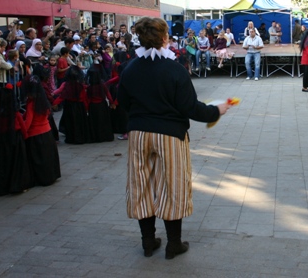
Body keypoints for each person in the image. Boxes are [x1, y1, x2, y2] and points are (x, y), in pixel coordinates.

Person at [117, 17, 230, 260]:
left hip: (138, 133)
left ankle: (148, 242)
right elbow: (190, 107)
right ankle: (173, 244)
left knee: (141, 185)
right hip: (169, 134)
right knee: (173, 185)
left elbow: (123, 103)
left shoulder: (131, 68)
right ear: (164, 38)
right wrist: (216, 111)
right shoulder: (175, 69)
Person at [0, 83, 32, 196]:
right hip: (15, 139)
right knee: (16, 164)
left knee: (3, 164)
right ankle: (17, 185)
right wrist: (26, 137)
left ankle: (3, 186)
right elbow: (23, 127)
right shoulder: (15, 113)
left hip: (2, 140)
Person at [22, 75, 61, 186]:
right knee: (47, 158)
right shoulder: (43, 101)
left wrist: (23, 132)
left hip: (35, 134)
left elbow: (28, 122)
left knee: (39, 160)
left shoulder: (31, 104)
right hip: (47, 133)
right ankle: (50, 176)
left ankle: (41, 179)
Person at [52, 66, 90, 144]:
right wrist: (86, 108)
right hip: (80, 107)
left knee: (70, 123)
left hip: (69, 106)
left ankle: (72, 138)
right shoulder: (80, 85)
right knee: (79, 123)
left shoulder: (66, 84)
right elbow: (84, 98)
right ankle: (81, 137)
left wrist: (55, 103)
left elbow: (62, 96)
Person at [85, 69, 115, 143]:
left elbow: (88, 99)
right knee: (103, 121)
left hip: (93, 106)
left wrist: (87, 108)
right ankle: (105, 136)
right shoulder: (102, 86)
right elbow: (108, 94)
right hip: (102, 105)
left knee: (95, 123)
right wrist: (112, 102)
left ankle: (96, 137)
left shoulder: (89, 88)